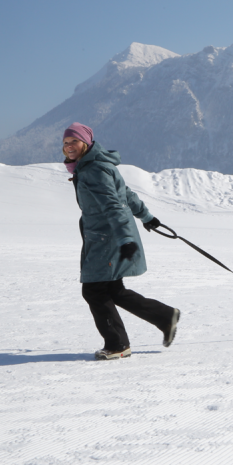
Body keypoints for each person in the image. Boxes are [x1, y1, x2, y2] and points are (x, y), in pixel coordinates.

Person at [63, 122, 181, 360]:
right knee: (113, 290)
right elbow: (126, 193)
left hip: (108, 238)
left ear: (86, 142)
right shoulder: (94, 166)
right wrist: (147, 217)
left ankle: (117, 345)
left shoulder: (93, 170)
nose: (68, 147)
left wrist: (126, 239)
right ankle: (165, 316)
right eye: (65, 143)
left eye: (74, 141)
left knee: (95, 291)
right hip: (105, 236)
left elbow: (114, 205)